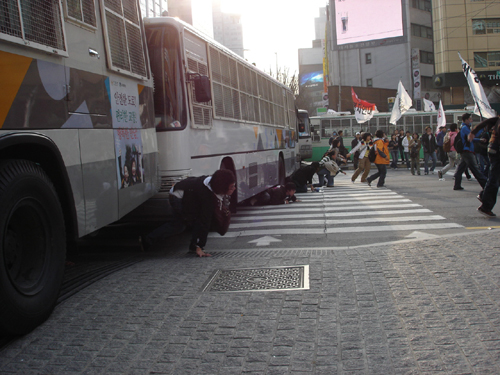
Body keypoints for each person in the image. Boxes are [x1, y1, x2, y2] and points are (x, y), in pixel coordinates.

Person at [141, 169, 236, 257]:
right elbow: (204, 221)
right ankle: (147, 240)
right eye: (231, 187)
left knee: (181, 225)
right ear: (222, 187)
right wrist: (199, 246)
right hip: (178, 197)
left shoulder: (212, 184)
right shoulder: (206, 196)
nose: (234, 189)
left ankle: (148, 240)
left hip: (186, 195)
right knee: (180, 225)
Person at [469, 116, 500, 217]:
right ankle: (485, 206)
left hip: (493, 147)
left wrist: (474, 131)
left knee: (495, 177)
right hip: (497, 149)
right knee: (494, 179)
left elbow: (485, 122)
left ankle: (484, 195)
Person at [453, 113, 487, 192]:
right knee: (475, 169)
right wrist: (481, 129)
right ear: (466, 120)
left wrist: (479, 140)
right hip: (467, 150)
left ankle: (457, 185)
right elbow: (472, 136)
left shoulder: (463, 127)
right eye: (470, 119)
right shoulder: (465, 128)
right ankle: (486, 186)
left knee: (460, 168)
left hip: (465, 150)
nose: (471, 120)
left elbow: (470, 137)